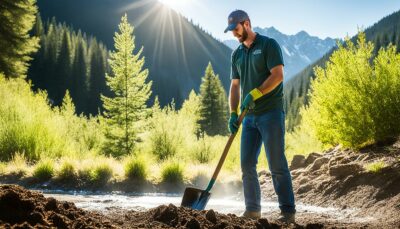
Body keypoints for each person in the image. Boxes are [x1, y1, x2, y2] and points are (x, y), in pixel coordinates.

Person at [224, 10, 296, 223]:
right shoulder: (236, 54)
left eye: (236, 29)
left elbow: (278, 76)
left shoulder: (268, 45)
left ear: (246, 24)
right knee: (246, 164)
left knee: (276, 164)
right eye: (231, 31)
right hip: (248, 118)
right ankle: (253, 210)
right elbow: (235, 86)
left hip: (271, 113)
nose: (234, 34)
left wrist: (255, 93)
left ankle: (287, 211)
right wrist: (233, 113)